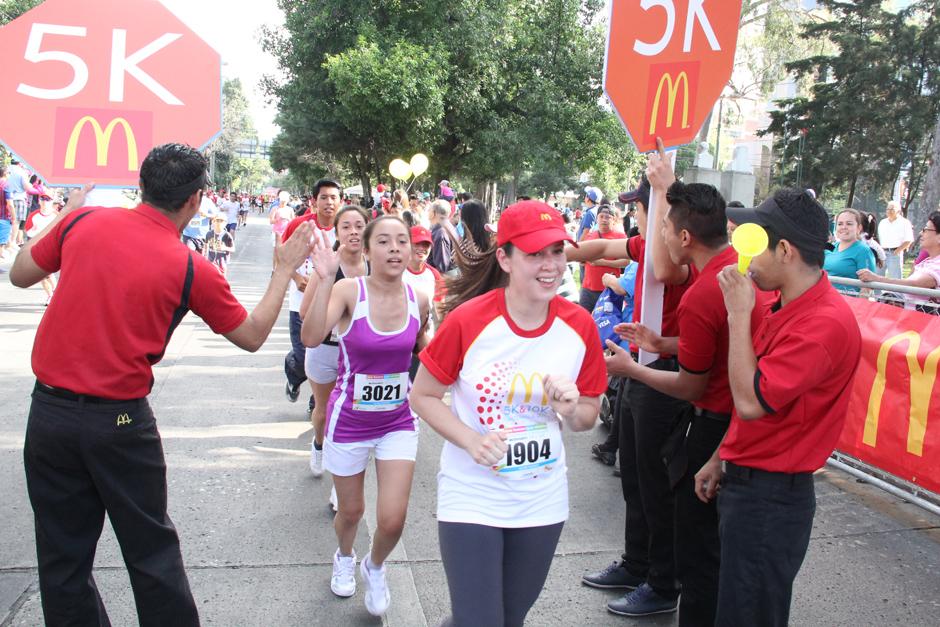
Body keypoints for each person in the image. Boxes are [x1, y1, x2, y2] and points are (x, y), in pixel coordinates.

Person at [8, 143, 316, 626]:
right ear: (196, 200)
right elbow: (253, 335)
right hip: (120, 422)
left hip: (49, 415)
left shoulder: (81, 224)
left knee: (62, 557)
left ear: (143, 183)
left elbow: (20, 273)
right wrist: (281, 271)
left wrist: (66, 211)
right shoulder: (190, 266)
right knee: (151, 553)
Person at [410, 200, 608, 627]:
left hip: (541, 498)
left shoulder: (580, 327)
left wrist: (572, 409)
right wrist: (471, 440)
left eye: (557, 250)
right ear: (505, 257)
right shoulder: (469, 321)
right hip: (473, 494)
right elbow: (423, 395)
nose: (550, 264)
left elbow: (587, 415)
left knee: (508, 618)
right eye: (535, 253)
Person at [606, 175, 773, 625]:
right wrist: (662, 344)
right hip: (737, 421)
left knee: (699, 553)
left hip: (714, 424)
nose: (656, 236)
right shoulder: (736, 268)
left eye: (662, 228)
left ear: (684, 236)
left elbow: (690, 386)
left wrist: (631, 368)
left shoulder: (702, 294)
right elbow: (719, 345)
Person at [696, 189, 862, 627]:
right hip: (752, 483)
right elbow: (755, 394)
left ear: (784, 250)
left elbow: (750, 400)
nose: (741, 257)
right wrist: (721, 456)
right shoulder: (787, 304)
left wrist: (736, 315)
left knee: (747, 613)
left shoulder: (822, 324)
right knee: (737, 606)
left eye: (752, 244)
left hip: (770, 498)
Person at [570, 162, 696, 618]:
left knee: (656, 482)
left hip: (662, 369)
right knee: (634, 475)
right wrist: (564, 251)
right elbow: (606, 245)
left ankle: (662, 582)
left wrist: (664, 191)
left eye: (638, 207)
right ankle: (637, 561)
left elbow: (662, 269)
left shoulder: (675, 254)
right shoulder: (646, 243)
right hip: (636, 363)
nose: (632, 216)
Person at [302, 215, 430, 617]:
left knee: (392, 520)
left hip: (398, 422)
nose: (395, 248)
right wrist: (322, 279)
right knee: (351, 511)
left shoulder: (419, 299)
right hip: (350, 421)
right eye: (385, 242)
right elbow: (310, 337)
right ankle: (344, 556)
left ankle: (374, 566)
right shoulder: (347, 291)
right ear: (369, 249)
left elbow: (424, 351)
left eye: (402, 242)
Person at [299, 205, 370, 479]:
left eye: (359, 226)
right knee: (325, 409)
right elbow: (305, 312)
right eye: (346, 227)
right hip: (326, 351)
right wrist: (337, 318)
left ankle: (343, 477)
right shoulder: (328, 267)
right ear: (338, 232)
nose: (353, 232)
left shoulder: (374, 267)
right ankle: (319, 443)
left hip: (360, 356)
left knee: (354, 415)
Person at [281, 179, 340, 406]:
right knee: (304, 354)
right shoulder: (300, 225)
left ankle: (319, 402)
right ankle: (293, 372)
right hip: (300, 304)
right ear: (314, 201)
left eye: (333, 197)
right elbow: (281, 258)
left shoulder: (346, 228)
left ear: (340, 201)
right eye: (324, 197)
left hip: (332, 305)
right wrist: (296, 279)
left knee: (326, 355)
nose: (329, 202)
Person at [858, 211, 940, 314]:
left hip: (923, 325)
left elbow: (913, 284)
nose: (920, 233)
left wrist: (877, 279)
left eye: (926, 230)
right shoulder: (928, 261)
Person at [578, 205, 628, 312]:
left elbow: (626, 262)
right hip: (587, 288)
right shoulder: (590, 236)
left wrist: (602, 262)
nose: (604, 219)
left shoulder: (620, 237)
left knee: (607, 325)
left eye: (608, 217)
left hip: (609, 290)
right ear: (597, 219)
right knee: (583, 323)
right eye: (601, 216)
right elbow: (582, 258)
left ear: (613, 220)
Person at [822, 208, 876, 295]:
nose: (844, 227)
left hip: (848, 303)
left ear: (859, 228)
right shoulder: (831, 247)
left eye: (849, 224)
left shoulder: (863, 251)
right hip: (824, 300)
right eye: (840, 224)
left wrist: (858, 307)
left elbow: (867, 287)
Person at [23, 194, 59, 304]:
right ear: (39, 201)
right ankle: (51, 294)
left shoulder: (56, 216)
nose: (45, 201)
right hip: (38, 247)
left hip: (52, 247)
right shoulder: (34, 216)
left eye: (48, 199)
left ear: (52, 202)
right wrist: (33, 231)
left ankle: (55, 292)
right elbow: (27, 231)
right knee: (42, 275)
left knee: (47, 272)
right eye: (43, 199)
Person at [877, 200, 914, 279]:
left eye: (892, 209)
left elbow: (909, 240)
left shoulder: (905, 222)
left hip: (895, 253)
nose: (889, 211)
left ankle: (896, 292)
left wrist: (897, 251)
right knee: (877, 277)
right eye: (888, 209)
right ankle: (878, 292)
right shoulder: (882, 222)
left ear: (898, 211)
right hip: (882, 252)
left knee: (895, 278)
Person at [428, 199, 454, 273]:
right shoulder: (445, 228)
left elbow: (442, 267)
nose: (428, 213)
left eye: (429, 210)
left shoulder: (441, 233)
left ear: (433, 213)